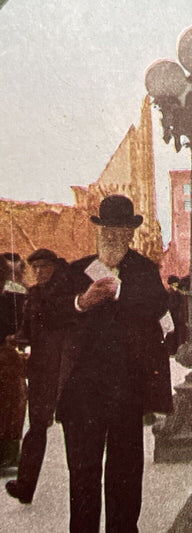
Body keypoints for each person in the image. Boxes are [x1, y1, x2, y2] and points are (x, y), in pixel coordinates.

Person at [54, 195, 173, 533]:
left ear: (131, 233)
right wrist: (82, 302)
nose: (115, 235)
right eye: (108, 229)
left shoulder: (143, 271)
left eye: (122, 229)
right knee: (83, 478)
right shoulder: (77, 271)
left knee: (125, 478)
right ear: (99, 230)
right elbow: (46, 312)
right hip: (81, 396)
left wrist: (120, 293)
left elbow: (158, 305)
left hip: (125, 393)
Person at [5, 249, 70, 504]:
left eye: (44, 266)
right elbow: (28, 330)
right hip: (42, 370)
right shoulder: (33, 295)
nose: (40, 272)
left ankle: (83, 484)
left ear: (54, 266)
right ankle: (25, 486)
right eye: (36, 268)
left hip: (68, 370)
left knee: (75, 430)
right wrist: (17, 338)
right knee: (37, 428)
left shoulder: (66, 292)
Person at [0, 254, 27, 470]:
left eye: (17, 271)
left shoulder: (20, 292)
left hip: (10, 357)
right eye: (8, 272)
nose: (12, 277)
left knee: (12, 406)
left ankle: (10, 453)